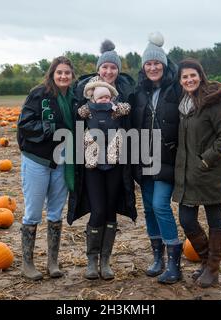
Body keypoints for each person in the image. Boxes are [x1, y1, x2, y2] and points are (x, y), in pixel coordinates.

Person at [68, 41, 137, 281]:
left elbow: (131, 118)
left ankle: (106, 261)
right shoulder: (83, 95)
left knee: (111, 211)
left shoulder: (123, 97)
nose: (109, 72)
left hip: (118, 162)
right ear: (99, 69)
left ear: (118, 70)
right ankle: (91, 260)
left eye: (113, 68)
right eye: (105, 67)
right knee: (97, 210)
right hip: (92, 164)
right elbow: (76, 120)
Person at [172, 58, 221, 288]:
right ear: (180, 81)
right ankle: (206, 261)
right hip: (188, 175)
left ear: (201, 76)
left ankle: (212, 268)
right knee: (187, 220)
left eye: (193, 75)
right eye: (184, 77)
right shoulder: (183, 106)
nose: (189, 80)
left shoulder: (213, 104)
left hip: (210, 173)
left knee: (215, 221)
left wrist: (206, 159)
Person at [17, 56, 77, 280]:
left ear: (72, 76)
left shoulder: (74, 97)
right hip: (37, 160)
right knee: (33, 212)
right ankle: (28, 263)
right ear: (52, 74)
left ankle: (53, 262)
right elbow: (24, 124)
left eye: (67, 73)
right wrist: (49, 129)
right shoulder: (39, 94)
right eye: (59, 72)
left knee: (55, 212)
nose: (63, 76)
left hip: (62, 161)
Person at [131, 32, 182, 284]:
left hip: (168, 158)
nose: (153, 67)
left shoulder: (177, 89)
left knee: (161, 205)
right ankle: (157, 258)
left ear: (164, 64)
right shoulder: (139, 92)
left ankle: (174, 261)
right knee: (150, 208)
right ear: (144, 67)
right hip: (144, 157)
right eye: (148, 64)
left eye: (157, 63)